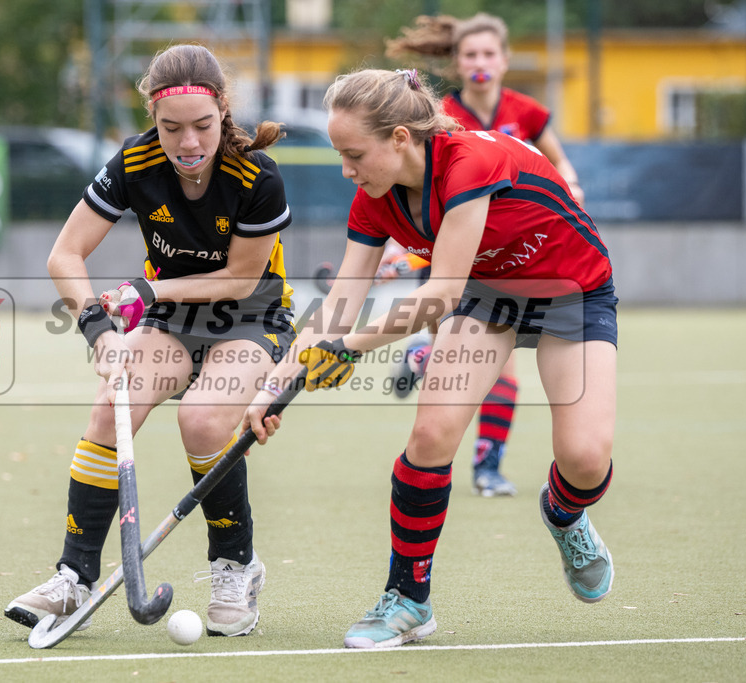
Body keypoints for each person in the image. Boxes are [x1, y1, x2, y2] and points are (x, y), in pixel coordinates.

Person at [244, 67, 617, 649]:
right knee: (432, 435)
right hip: (489, 295)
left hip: (573, 288)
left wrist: (346, 351)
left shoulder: (469, 163)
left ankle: (564, 515)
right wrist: (275, 385)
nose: (346, 170)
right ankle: (408, 599)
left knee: (585, 459)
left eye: (353, 154)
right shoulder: (373, 200)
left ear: (399, 138)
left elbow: (438, 294)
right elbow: (338, 304)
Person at [5, 43, 295, 638]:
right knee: (110, 413)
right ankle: (75, 576)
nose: (188, 143)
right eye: (171, 128)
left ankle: (234, 565)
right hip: (171, 322)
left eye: (202, 127)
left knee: (205, 420)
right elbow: (65, 254)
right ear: (151, 121)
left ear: (222, 113)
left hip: (250, 317)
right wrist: (99, 332)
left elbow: (241, 279)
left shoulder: (256, 176)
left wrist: (150, 293)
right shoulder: (133, 164)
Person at [381, 13, 587, 498]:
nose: (480, 63)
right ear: (457, 62)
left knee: (499, 365)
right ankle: (424, 362)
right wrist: (396, 248)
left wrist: (571, 185)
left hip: (506, 256)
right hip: (447, 257)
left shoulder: (527, 112)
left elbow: (558, 161)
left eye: (488, 54)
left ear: (504, 60)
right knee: (457, 360)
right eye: (470, 55)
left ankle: (487, 466)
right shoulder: (440, 114)